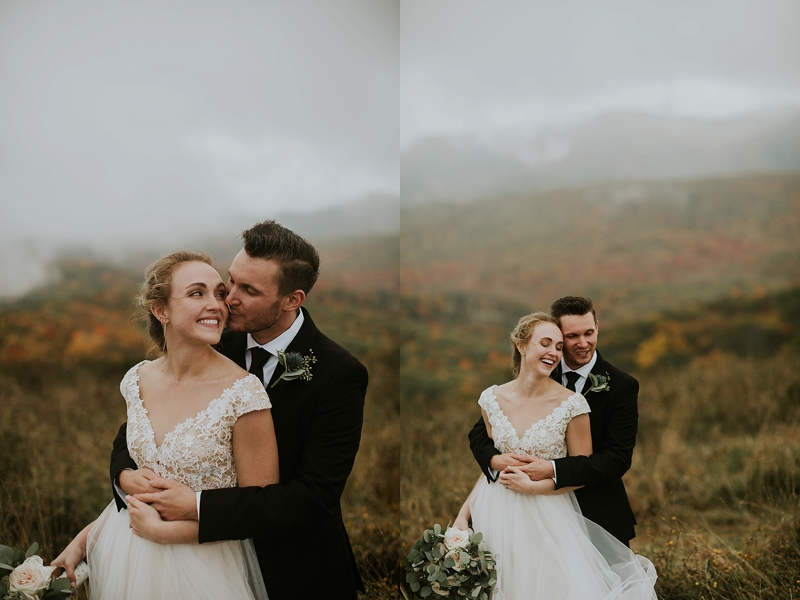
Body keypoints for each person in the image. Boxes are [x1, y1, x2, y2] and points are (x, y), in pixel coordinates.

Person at [111, 221, 368, 600]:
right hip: (194, 566)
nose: (227, 299)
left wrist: (195, 507)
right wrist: (124, 475)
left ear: (292, 299)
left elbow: (311, 499)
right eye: (230, 281)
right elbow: (141, 427)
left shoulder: (338, 373)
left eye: (248, 290)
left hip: (292, 570)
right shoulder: (211, 336)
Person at [52, 250, 277, 599]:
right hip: (125, 552)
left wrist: (165, 534)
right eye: (196, 293)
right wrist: (84, 540)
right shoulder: (137, 379)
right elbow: (147, 480)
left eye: (218, 293)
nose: (217, 304)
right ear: (160, 310)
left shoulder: (243, 393)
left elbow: (261, 507)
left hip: (204, 567)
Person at [454, 312, 656, 599]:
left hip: (562, 513)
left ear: (597, 329)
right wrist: (465, 514)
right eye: (563, 340)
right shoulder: (493, 397)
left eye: (559, 346)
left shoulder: (605, 390)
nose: (559, 350)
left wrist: (544, 479)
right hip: (497, 511)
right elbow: (486, 445)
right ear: (522, 346)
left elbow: (607, 461)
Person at [469, 296, 639, 545]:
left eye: (589, 333)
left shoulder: (622, 386)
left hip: (597, 513)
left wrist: (552, 470)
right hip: (524, 513)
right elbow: (481, 433)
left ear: (597, 327)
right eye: (572, 337)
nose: (583, 343)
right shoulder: (541, 369)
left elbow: (617, 459)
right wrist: (496, 459)